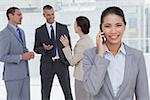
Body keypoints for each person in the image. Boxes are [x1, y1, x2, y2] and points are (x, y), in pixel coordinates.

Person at [83, 6, 149, 100]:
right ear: (101, 29)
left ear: (124, 27)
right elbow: (92, 89)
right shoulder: (89, 55)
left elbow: (143, 96)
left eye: (118, 25)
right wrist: (100, 54)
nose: (113, 31)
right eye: (107, 26)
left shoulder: (137, 56)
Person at [33, 5, 73, 100]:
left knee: (67, 92)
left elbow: (68, 46)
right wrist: (44, 49)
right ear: (44, 15)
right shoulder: (39, 31)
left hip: (61, 64)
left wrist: (68, 61)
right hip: (47, 65)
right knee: (45, 93)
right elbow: (36, 48)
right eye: (48, 15)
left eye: (52, 14)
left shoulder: (63, 28)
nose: (51, 17)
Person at [0, 7, 34, 100]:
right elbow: (2, 56)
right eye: (19, 15)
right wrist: (21, 57)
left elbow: (22, 49)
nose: (21, 17)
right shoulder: (4, 34)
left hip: (25, 75)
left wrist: (28, 53)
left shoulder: (21, 32)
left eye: (21, 15)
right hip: (13, 77)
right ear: (10, 16)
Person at [60, 16, 94, 100]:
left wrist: (66, 46)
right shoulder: (88, 40)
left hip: (82, 78)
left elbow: (72, 61)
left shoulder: (82, 43)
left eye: (75, 24)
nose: (74, 26)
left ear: (79, 27)